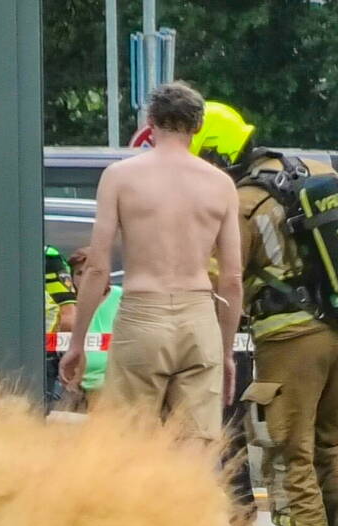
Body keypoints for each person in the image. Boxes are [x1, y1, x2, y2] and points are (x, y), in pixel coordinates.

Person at [191, 101, 338, 526]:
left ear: (216, 154)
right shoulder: (320, 173)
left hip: (289, 340)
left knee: (290, 454)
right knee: (337, 438)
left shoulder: (241, 203)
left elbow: (223, 279)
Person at [60, 82, 243, 451]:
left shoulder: (121, 177)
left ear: (150, 122)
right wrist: (225, 353)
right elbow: (233, 279)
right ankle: (191, 508)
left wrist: (77, 343)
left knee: (131, 445)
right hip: (199, 319)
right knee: (196, 449)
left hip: (141, 315)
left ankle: (141, 509)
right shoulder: (222, 185)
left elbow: (96, 267)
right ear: (198, 125)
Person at [65, 247, 122, 409]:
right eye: (79, 274)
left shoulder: (122, 297)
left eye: (91, 273)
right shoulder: (68, 307)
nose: (85, 279)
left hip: (114, 387)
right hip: (76, 387)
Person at [44, 245, 76, 409]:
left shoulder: (48, 256)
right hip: (45, 351)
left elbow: (68, 316)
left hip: (45, 353)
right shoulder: (47, 255)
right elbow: (69, 314)